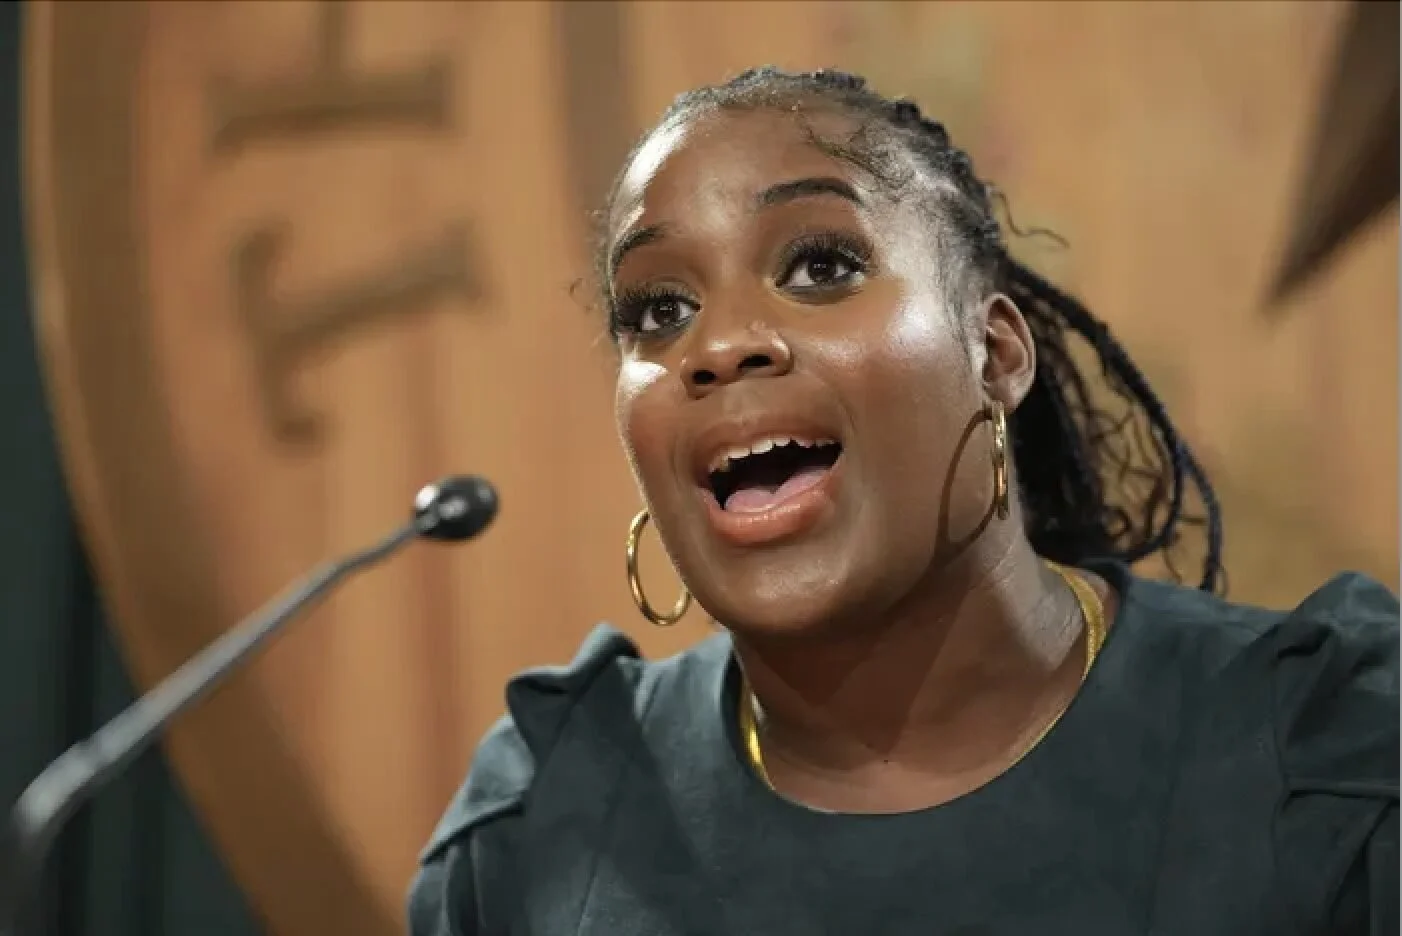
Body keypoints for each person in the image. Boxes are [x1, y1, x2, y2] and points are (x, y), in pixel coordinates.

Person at [408, 68, 1398, 935]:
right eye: (659, 312)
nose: (720, 346)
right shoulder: (544, 827)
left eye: (819, 265)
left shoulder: (1327, 759)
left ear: (996, 354)